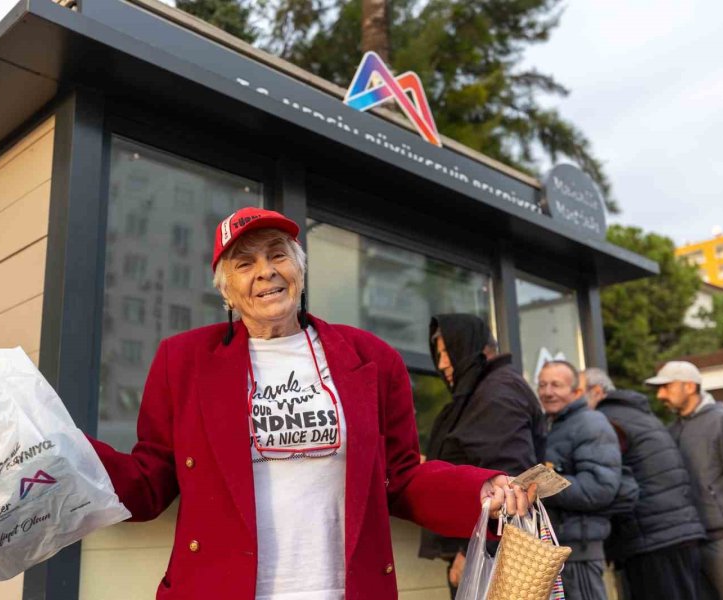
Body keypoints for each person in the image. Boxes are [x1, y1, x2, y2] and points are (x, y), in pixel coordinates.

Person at [85, 207, 534, 600]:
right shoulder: (182, 361)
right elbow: (148, 483)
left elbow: (400, 476)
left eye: (278, 254)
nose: (266, 271)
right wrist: (67, 452)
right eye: (245, 263)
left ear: (299, 269)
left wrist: (479, 491)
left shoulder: (372, 358)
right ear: (226, 290)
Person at [419, 314, 547, 598]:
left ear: (471, 347)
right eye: (438, 355)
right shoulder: (486, 390)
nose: (441, 365)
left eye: (448, 352)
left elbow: (510, 484)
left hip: (494, 560)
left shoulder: (495, 394)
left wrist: (471, 552)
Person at [581, 368, 705, 599]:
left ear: (596, 392)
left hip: (651, 538)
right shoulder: (638, 414)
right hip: (679, 531)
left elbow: (612, 482)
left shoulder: (606, 420)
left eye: (577, 391)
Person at [647, 360, 723, 600]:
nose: (660, 395)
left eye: (667, 387)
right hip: (691, 540)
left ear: (689, 387)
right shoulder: (672, 430)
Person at [539, 360, 621, 600]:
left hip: (579, 552)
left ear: (576, 392)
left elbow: (600, 488)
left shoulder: (590, 423)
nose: (547, 392)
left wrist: (544, 486)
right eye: (542, 385)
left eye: (556, 385)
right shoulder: (549, 426)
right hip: (554, 551)